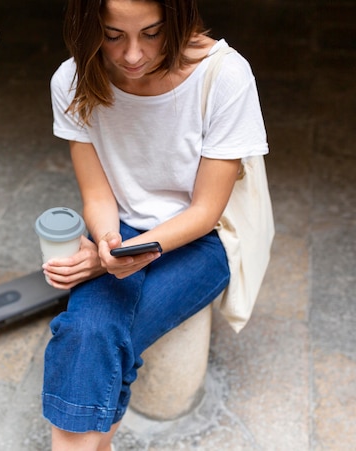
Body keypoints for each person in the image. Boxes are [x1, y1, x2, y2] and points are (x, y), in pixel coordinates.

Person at [41, 0, 268, 449]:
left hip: (207, 238)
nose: (131, 55)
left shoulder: (224, 76)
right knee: (88, 333)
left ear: (180, 18)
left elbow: (206, 210)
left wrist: (113, 261)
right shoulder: (72, 80)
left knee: (100, 338)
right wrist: (109, 245)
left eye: (152, 32)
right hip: (122, 226)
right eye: (111, 35)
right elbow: (98, 195)